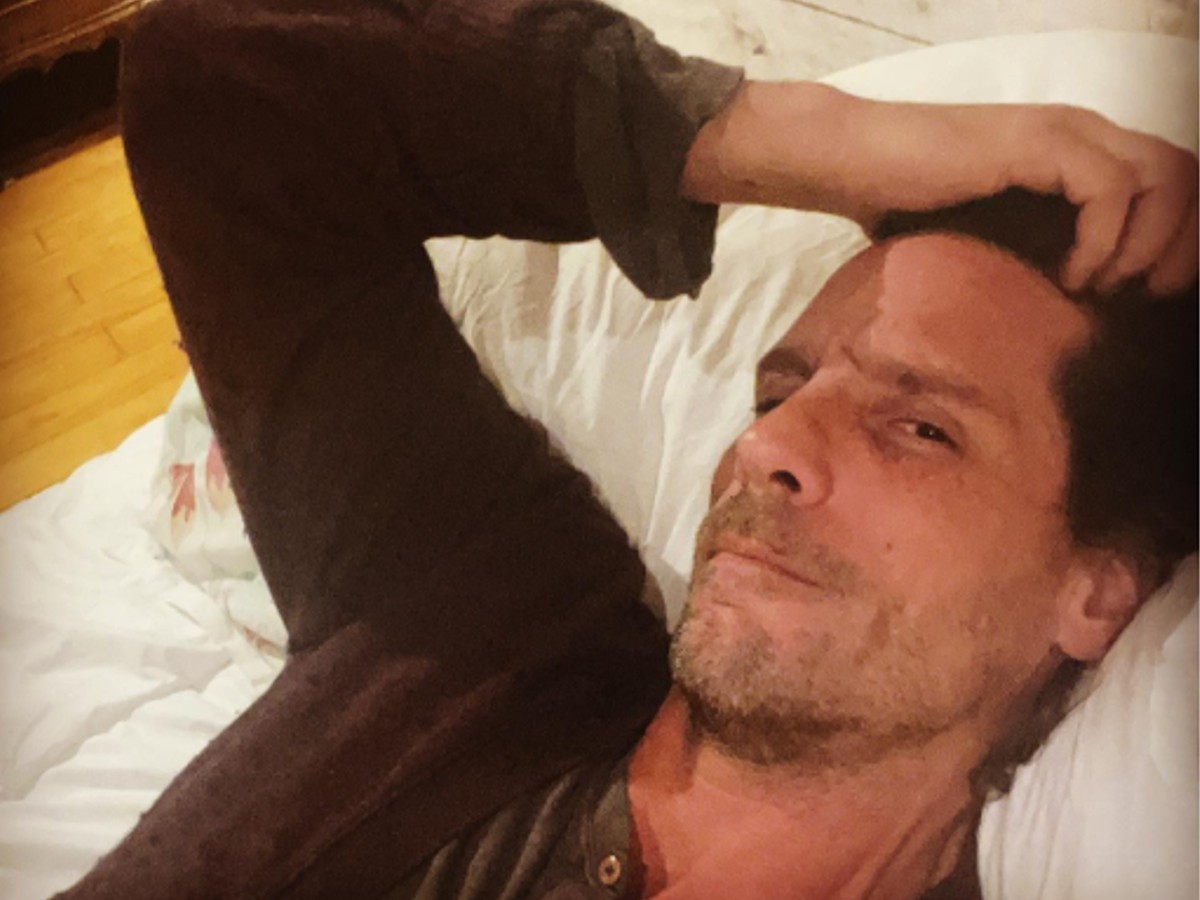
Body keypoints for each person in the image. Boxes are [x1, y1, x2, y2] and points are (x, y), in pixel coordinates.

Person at [60, 0, 1197, 897]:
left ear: (1098, 592)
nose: (768, 444)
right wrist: (815, 141)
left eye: (920, 428)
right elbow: (215, 87)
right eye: (779, 388)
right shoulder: (487, 625)